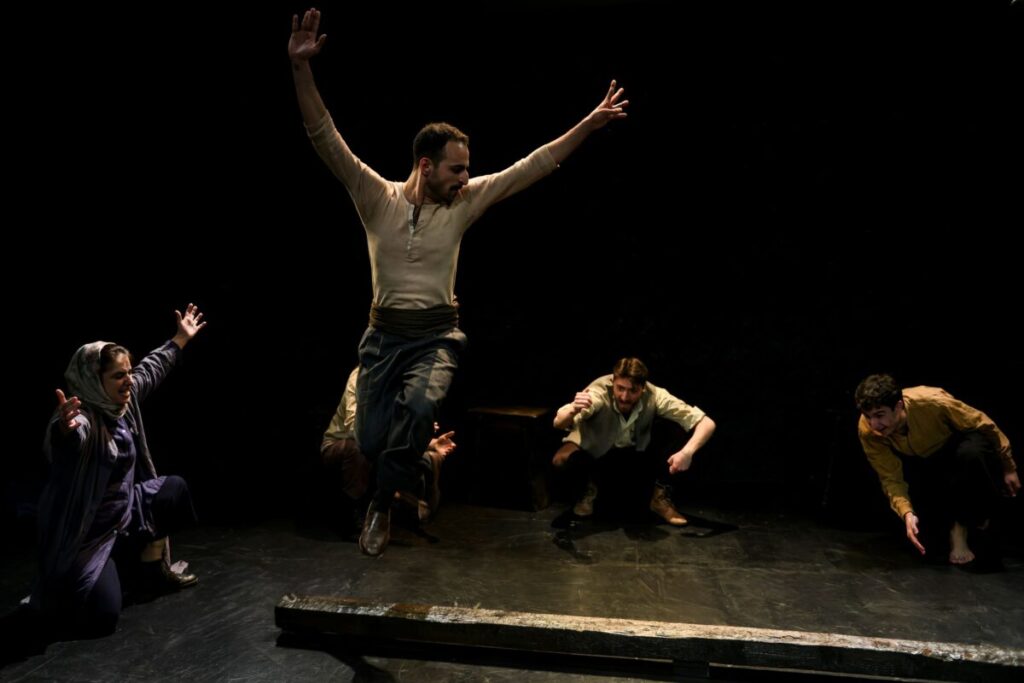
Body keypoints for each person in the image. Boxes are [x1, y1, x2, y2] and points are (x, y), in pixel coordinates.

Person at [289, 8, 628, 555]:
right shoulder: (375, 198)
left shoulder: (463, 205)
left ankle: (383, 502)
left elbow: (532, 165)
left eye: (468, 169)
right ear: (426, 166)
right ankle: (406, 472)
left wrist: (588, 125)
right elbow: (325, 137)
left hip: (436, 336)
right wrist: (302, 68)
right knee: (368, 438)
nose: (466, 178)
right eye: (457, 169)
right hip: (383, 339)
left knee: (422, 407)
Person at [29, 304, 207, 636]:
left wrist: (180, 338)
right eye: (118, 375)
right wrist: (64, 430)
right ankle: (110, 572)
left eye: (128, 372)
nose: (128, 381)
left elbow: (152, 368)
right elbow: (69, 439)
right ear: (95, 380)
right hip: (90, 533)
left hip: (125, 513)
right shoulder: (83, 416)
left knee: (173, 489)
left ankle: (150, 571)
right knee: (104, 615)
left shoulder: (124, 401)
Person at [855, 373, 1019, 566]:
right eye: (868, 416)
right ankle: (954, 523)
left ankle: (964, 525)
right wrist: (907, 513)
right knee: (927, 544)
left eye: (879, 415)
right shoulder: (868, 430)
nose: (874, 424)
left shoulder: (931, 402)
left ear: (898, 406)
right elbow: (889, 477)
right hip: (926, 461)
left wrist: (1009, 467)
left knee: (971, 452)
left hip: (958, 447)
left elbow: (984, 424)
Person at [552, 358, 715, 526]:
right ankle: (588, 491)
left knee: (679, 430)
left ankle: (659, 500)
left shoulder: (655, 394)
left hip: (634, 452)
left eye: (633, 391)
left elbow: (707, 423)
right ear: (613, 382)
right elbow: (558, 423)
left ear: (643, 388)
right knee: (561, 460)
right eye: (620, 388)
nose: (624, 397)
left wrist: (687, 453)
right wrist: (573, 408)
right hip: (596, 450)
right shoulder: (598, 393)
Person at [321, 366, 456, 525]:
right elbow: (356, 429)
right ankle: (362, 513)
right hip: (341, 444)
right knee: (359, 448)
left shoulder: (399, 381)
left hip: (379, 445)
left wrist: (427, 440)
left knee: (407, 455)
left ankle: (406, 496)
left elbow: (400, 424)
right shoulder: (361, 376)